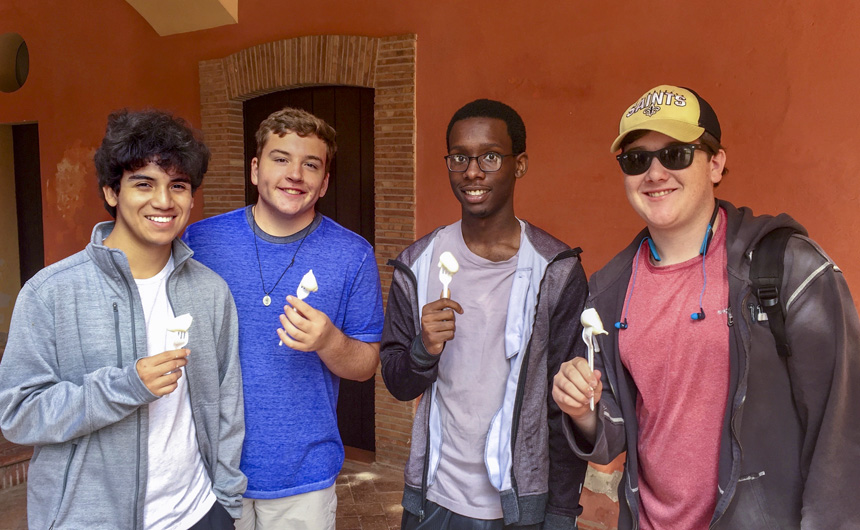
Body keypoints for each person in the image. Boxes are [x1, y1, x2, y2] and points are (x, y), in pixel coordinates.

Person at [552, 84, 860, 529]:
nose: (655, 173)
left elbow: (842, 424)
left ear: (715, 164)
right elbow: (615, 432)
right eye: (637, 160)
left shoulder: (786, 267)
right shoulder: (609, 291)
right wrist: (583, 410)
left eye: (675, 154)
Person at [0, 109, 245, 529]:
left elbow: (227, 405)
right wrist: (126, 386)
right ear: (112, 192)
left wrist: (225, 502)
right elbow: (18, 413)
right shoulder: (50, 293)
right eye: (143, 183)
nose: (164, 201)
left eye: (178, 185)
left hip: (199, 513)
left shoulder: (210, 291)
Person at [381, 99, 589, 529]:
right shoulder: (417, 265)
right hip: (433, 497)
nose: (472, 172)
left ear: (519, 165)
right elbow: (397, 383)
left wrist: (561, 513)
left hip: (519, 505)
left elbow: (564, 408)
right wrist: (424, 349)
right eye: (459, 158)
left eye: (490, 157)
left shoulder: (554, 271)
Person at [182, 106, 383, 530]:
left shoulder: (353, 255)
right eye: (281, 159)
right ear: (255, 169)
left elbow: (366, 365)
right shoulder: (200, 241)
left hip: (304, 476)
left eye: (311, 164)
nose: (295, 174)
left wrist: (329, 341)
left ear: (324, 182)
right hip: (208, 467)